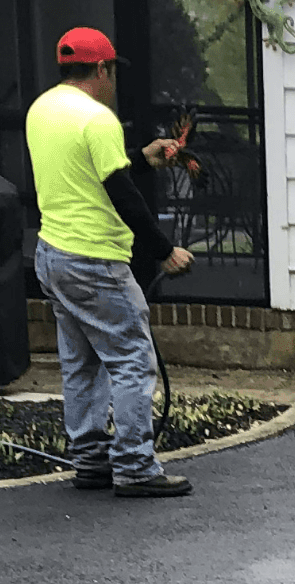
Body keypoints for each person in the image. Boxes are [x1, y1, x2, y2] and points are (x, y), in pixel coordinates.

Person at [25, 27, 194, 498]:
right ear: (101, 69)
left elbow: (90, 170)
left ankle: (91, 461)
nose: (114, 78)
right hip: (95, 263)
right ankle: (136, 467)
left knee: (80, 363)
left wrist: (142, 157)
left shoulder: (42, 111)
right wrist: (165, 250)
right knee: (133, 361)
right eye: (112, 70)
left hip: (52, 255)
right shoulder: (97, 119)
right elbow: (122, 194)